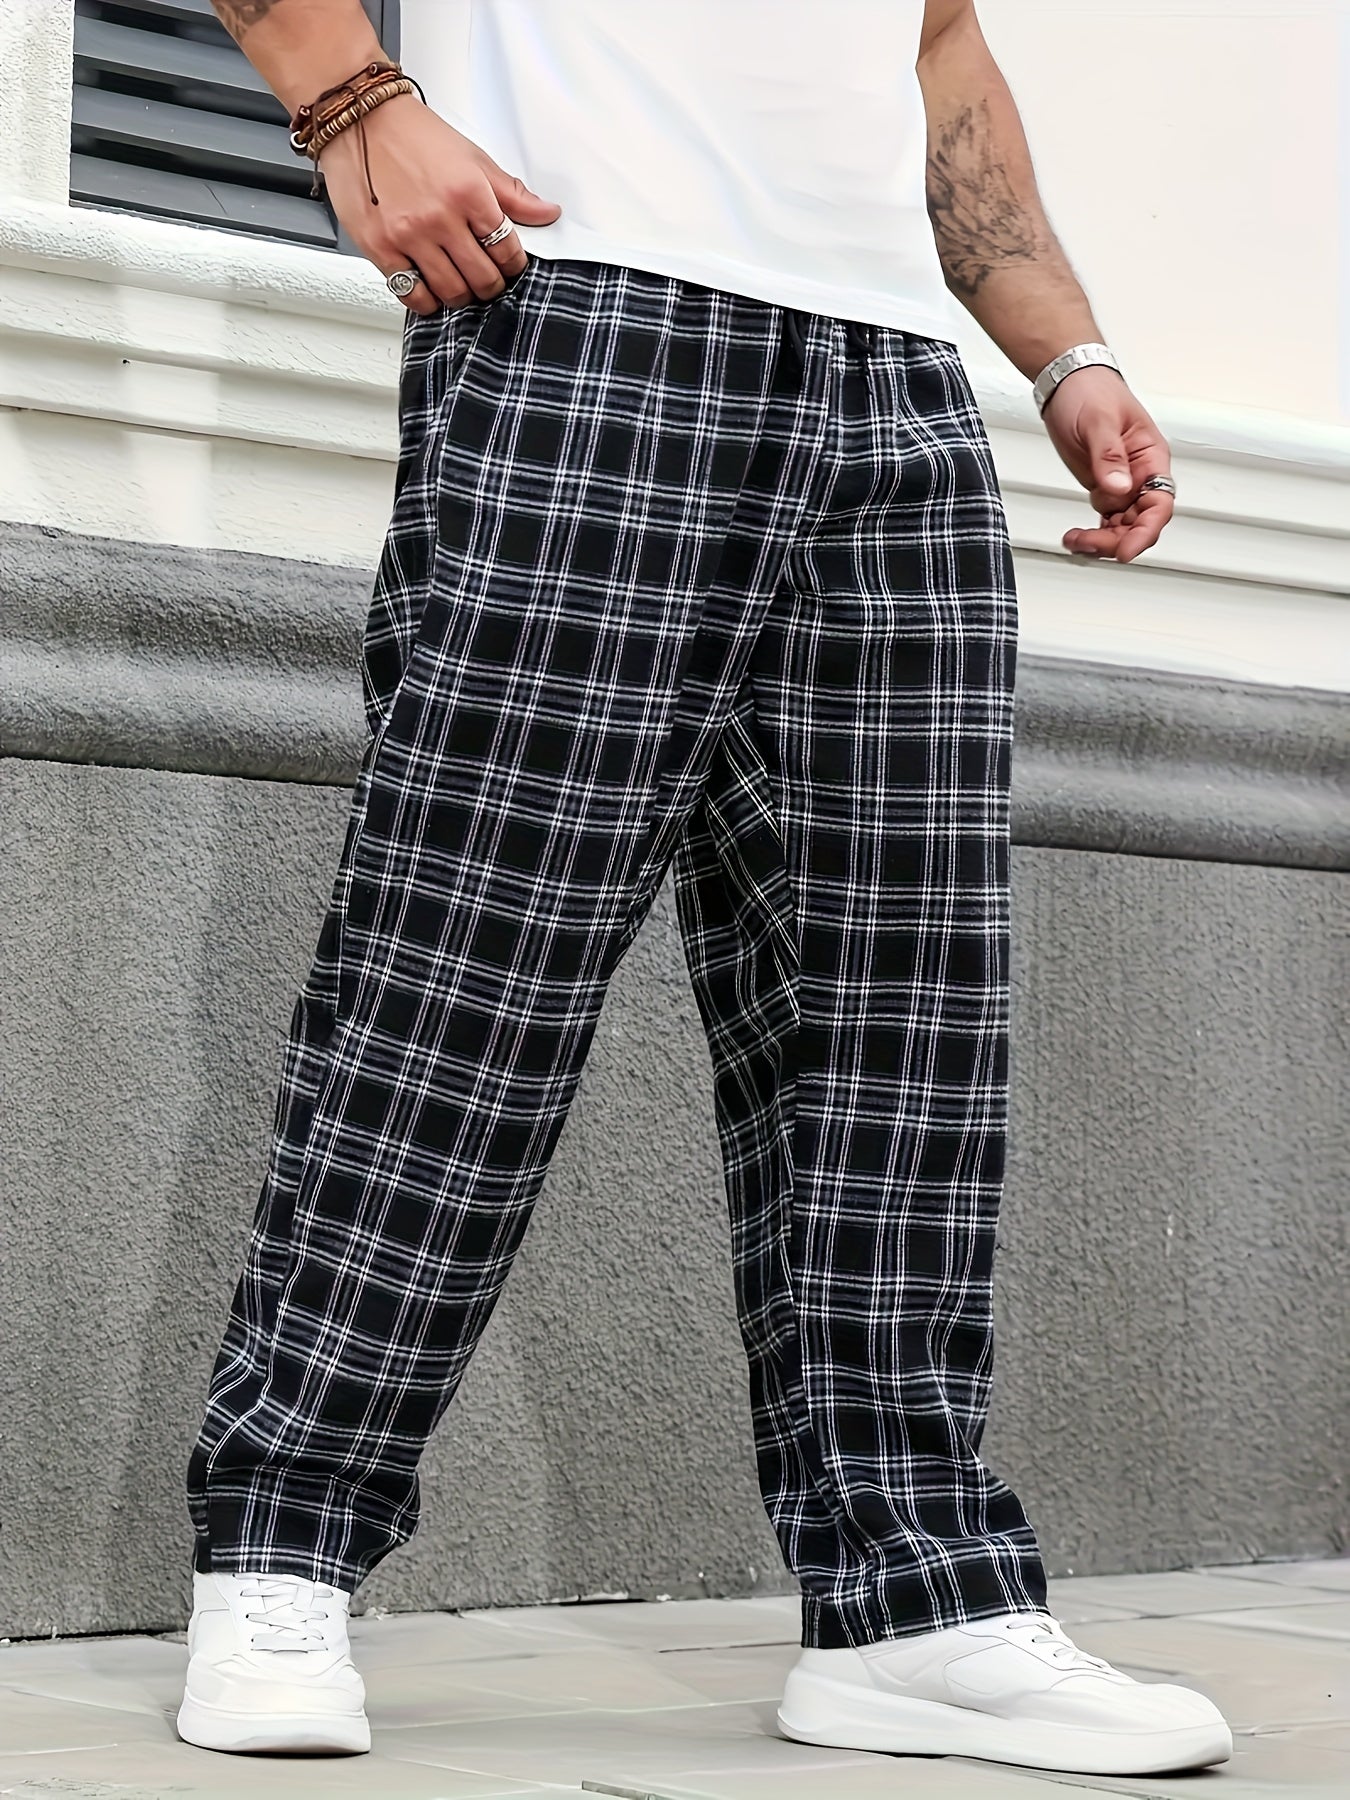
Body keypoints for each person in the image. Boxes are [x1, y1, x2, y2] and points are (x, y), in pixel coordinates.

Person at [178, 0, 1228, 1776]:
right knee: (463, 976)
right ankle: (280, 1546)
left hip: (894, 387)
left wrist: (1064, 353)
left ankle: (910, 1604)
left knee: (894, 1025)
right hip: (586, 314)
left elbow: (936, 44)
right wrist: (348, 102)